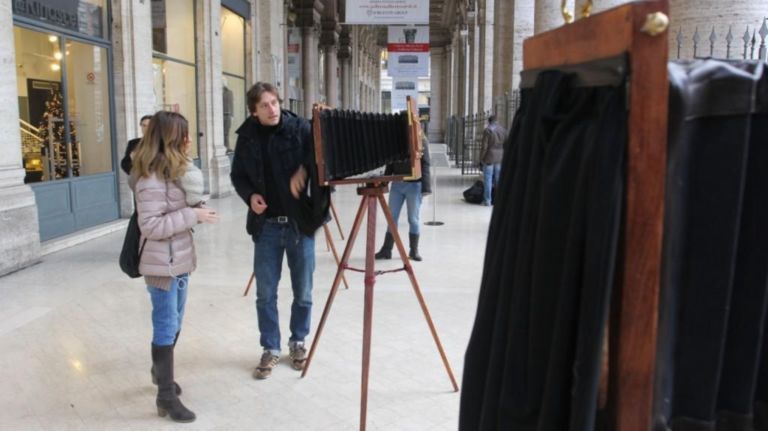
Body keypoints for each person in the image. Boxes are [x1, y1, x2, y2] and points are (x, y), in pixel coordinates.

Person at [230, 82, 330, 380]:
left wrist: (306, 170)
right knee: (265, 293)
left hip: (299, 225)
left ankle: (298, 342)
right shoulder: (247, 137)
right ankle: (271, 348)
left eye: (274, 102)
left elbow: (323, 159)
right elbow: (238, 175)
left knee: (304, 291)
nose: (272, 109)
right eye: (264, 105)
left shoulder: (300, 129)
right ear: (253, 111)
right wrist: (250, 196)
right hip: (267, 227)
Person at [130, 111, 219, 423]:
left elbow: (175, 209)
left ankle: (159, 372)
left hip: (178, 260)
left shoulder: (173, 172)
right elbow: (151, 226)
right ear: (170, 138)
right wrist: (193, 216)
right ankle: (165, 396)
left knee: (175, 323)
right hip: (161, 265)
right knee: (166, 325)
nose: (189, 139)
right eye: (184, 134)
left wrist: (194, 209)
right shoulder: (150, 178)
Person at [375, 127, 432, 261]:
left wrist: (426, 187)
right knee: (391, 217)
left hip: (414, 185)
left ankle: (414, 250)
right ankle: (387, 249)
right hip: (397, 183)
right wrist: (385, 180)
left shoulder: (422, 141)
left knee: (413, 219)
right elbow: (390, 162)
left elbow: (426, 164)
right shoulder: (395, 141)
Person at [480, 114, 507, 206]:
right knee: (499, 179)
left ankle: (487, 200)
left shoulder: (487, 130)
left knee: (488, 179)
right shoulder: (503, 130)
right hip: (500, 157)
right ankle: (499, 201)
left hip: (489, 157)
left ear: (489, 121)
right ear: (497, 121)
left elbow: (484, 147)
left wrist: (482, 158)